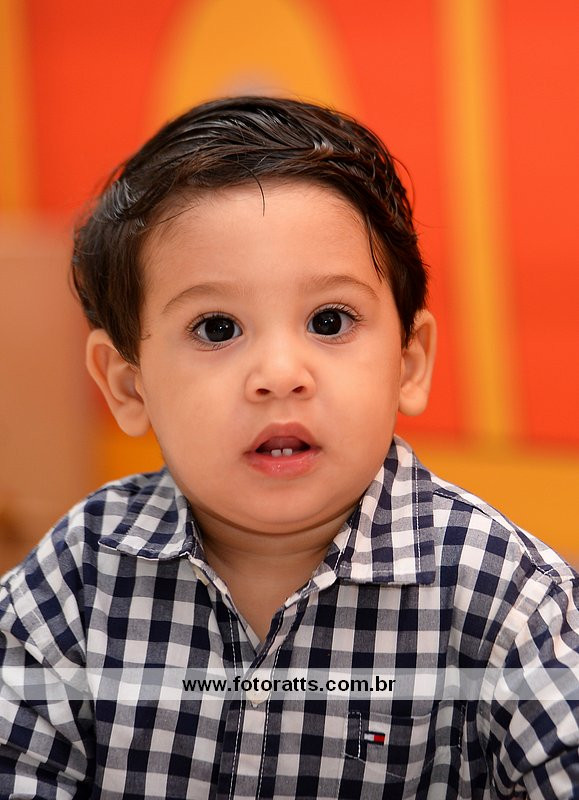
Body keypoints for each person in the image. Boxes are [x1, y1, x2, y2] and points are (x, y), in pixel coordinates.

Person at [0, 96, 577, 800]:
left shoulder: (506, 598)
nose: (279, 375)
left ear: (409, 361)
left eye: (329, 320)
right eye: (217, 328)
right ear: (128, 385)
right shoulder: (76, 581)